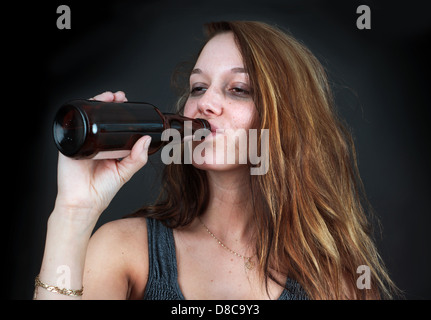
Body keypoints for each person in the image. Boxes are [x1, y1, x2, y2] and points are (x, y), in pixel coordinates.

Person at [35, 21, 399, 300]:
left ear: (289, 120)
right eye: (198, 87)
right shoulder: (125, 250)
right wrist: (73, 212)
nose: (204, 103)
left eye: (238, 89)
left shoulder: (335, 281)